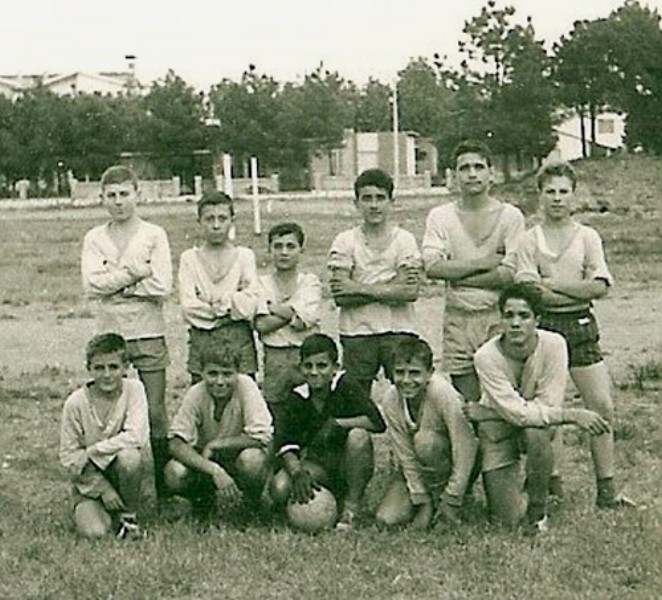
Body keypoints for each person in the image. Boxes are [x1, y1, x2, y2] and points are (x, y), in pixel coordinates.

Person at [515, 161, 632, 509]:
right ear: (540, 195)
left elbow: (599, 287)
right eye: (550, 191)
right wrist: (568, 290)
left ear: (574, 195)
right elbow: (531, 292)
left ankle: (606, 490)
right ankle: (551, 484)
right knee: (548, 410)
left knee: (601, 406)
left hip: (580, 327)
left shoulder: (587, 236)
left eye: (563, 191)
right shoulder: (528, 239)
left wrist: (552, 284)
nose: (556, 198)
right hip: (543, 327)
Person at [465, 284, 611, 533]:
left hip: (522, 425)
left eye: (524, 316)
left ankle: (538, 511)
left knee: (537, 432)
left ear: (538, 320)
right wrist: (572, 415)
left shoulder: (554, 344)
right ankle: (529, 484)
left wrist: (490, 412)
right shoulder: (485, 356)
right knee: (506, 520)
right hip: (497, 432)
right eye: (508, 315)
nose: (515, 323)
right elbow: (516, 412)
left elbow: (547, 405)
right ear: (500, 319)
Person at [81, 165, 172, 508]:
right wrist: (136, 273)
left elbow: (162, 285)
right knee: (111, 410)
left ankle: (164, 488)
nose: (119, 202)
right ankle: (114, 483)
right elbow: (92, 285)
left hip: (148, 329)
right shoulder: (95, 238)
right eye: (112, 196)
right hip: (109, 332)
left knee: (156, 410)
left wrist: (114, 282)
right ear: (102, 198)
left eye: (124, 194)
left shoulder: (153, 234)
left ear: (138, 194)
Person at [422, 140, 525, 403]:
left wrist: (456, 274)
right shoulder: (440, 216)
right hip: (458, 318)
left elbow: (509, 274)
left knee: (503, 397)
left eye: (478, 167)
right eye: (464, 167)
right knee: (467, 404)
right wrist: (484, 262)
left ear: (491, 173)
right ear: (454, 175)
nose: (471, 173)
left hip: (497, 317)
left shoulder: (510, 216)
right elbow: (433, 267)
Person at [269, 333, 386, 530]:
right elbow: (285, 443)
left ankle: (351, 507)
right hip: (318, 464)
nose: (314, 372)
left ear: (335, 368)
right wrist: (297, 472)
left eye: (322, 365)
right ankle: (294, 510)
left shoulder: (346, 385)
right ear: (301, 368)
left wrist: (338, 423)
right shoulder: (298, 397)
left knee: (359, 436)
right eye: (308, 366)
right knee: (279, 487)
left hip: (345, 462)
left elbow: (377, 422)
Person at [328, 168, 421, 397]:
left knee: (407, 393)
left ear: (392, 202)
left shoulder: (404, 240)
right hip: (357, 332)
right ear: (356, 203)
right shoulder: (345, 240)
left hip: (399, 329)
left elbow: (409, 292)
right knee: (358, 397)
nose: (374, 205)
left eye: (380, 198)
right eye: (367, 198)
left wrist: (358, 286)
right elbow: (341, 295)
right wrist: (391, 285)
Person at [375, 337, 478, 530]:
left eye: (414, 373)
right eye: (400, 373)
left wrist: (452, 498)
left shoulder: (443, 394)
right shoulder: (390, 399)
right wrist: (421, 498)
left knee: (425, 441)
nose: (406, 380)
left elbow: (465, 446)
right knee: (386, 519)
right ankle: (430, 500)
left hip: (451, 459)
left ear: (430, 372)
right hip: (421, 469)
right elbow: (404, 454)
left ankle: (450, 498)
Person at [164, 345, 273, 525]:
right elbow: (175, 442)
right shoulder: (196, 392)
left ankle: (251, 504)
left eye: (227, 374)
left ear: (238, 372)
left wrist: (217, 444)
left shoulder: (247, 386)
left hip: (236, 454)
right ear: (202, 372)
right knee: (174, 472)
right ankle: (203, 504)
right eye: (213, 373)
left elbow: (261, 437)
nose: (220, 381)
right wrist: (213, 469)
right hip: (207, 460)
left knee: (252, 459)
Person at [59, 333, 149, 539]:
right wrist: (102, 489)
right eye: (99, 368)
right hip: (89, 481)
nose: (107, 375)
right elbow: (69, 458)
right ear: (88, 369)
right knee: (95, 533)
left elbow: (137, 436)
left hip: (122, 473)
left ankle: (129, 518)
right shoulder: (75, 403)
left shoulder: (134, 389)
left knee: (130, 456)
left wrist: (92, 450)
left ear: (125, 367)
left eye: (114, 367)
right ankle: (102, 511)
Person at [178, 191, 262, 383]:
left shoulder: (244, 256)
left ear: (232, 220)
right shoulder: (189, 259)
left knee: (244, 397)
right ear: (199, 221)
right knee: (202, 400)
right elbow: (189, 307)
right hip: (202, 339)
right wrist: (231, 308)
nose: (216, 225)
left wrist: (219, 305)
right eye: (209, 219)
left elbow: (250, 302)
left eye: (222, 218)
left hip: (239, 340)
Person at [255, 222, 322, 409]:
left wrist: (272, 307)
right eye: (278, 246)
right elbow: (262, 324)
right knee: (276, 405)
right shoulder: (261, 284)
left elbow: (304, 321)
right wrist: (294, 310)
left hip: (305, 354)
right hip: (274, 356)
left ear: (301, 250)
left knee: (311, 404)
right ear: (269, 250)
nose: (284, 252)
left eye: (290, 246)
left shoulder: (310, 282)